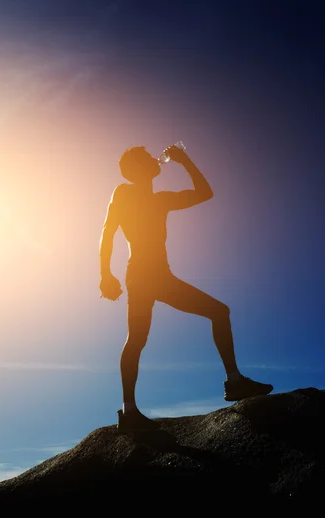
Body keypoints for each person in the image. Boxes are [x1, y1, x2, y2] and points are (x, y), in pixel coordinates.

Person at [99, 144, 273, 432]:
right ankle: (129, 411)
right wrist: (106, 274)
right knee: (137, 339)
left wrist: (184, 159)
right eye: (146, 158)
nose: (155, 159)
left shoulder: (161, 200)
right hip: (141, 276)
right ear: (137, 169)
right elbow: (108, 232)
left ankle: (235, 382)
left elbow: (205, 193)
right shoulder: (124, 192)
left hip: (162, 278)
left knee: (218, 312)